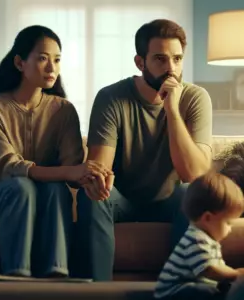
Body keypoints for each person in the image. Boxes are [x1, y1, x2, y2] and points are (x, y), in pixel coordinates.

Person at [0, 25, 112, 278]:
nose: (52, 68)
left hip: (41, 194)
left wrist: (92, 174)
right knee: (21, 187)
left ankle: (56, 273)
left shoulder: (63, 110)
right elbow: (6, 166)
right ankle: (17, 275)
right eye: (42, 58)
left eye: (57, 60)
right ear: (20, 63)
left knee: (54, 188)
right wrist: (70, 171)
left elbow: (71, 167)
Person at [74, 19, 213, 281]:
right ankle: (97, 292)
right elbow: (99, 171)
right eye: (160, 59)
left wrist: (172, 110)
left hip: (170, 200)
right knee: (91, 195)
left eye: (177, 59)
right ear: (140, 63)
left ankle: (182, 290)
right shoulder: (111, 98)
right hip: (122, 200)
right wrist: (98, 182)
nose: (171, 68)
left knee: (193, 193)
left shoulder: (195, 98)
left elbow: (194, 174)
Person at [154, 172, 244, 300]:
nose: (230, 229)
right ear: (207, 218)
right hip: (173, 292)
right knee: (205, 291)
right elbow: (209, 270)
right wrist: (235, 274)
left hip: (189, 286)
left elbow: (218, 267)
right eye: (228, 223)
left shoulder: (208, 240)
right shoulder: (196, 239)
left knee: (219, 288)